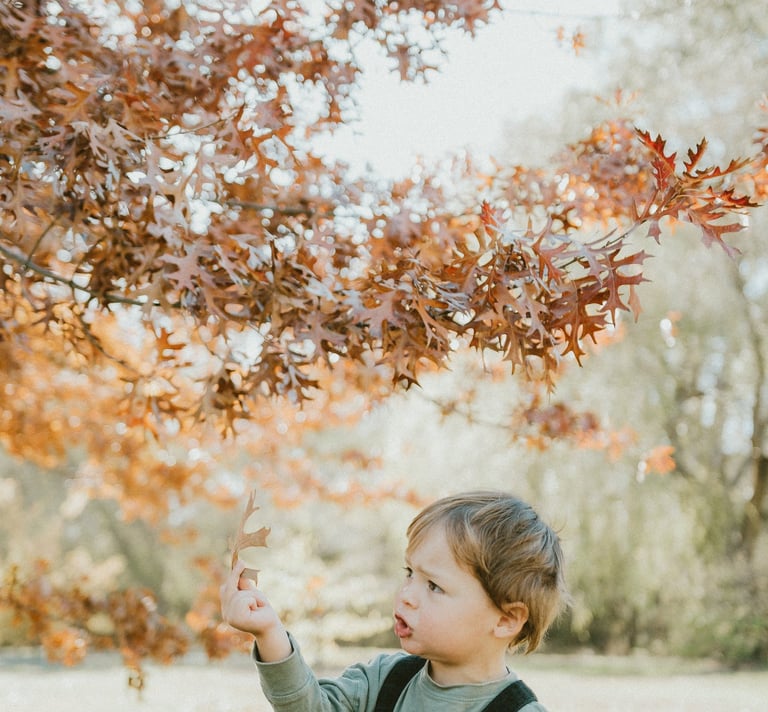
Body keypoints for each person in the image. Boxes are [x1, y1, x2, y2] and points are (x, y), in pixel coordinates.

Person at [220, 490, 569, 711]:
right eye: (409, 574)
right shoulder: (383, 681)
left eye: (433, 586)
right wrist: (269, 633)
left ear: (506, 619)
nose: (407, 596)